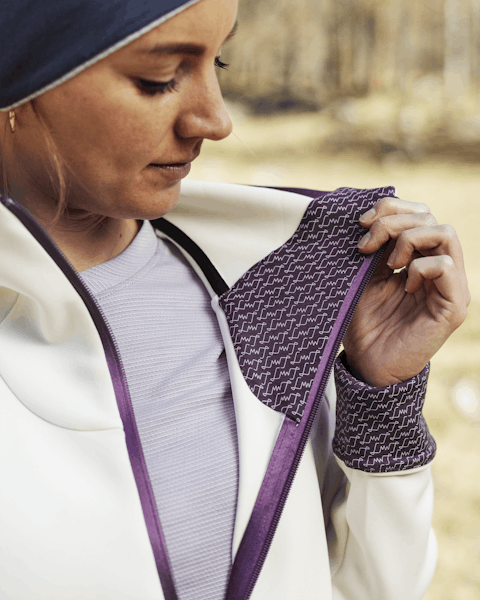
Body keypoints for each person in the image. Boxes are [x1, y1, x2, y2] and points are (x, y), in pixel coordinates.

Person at [0, 0, 470, 599]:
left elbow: (372, 589)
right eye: (160, 79)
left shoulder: (267, 289)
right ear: (17, 76)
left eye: (217, 62)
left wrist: (381, 400)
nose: (217, 120)